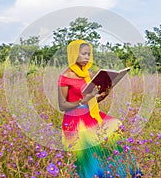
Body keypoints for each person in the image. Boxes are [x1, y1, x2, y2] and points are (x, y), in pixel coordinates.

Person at [58, 39, 142, 178]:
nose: (87, 57)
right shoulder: (65, 77)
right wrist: (82, 101)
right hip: (74, 119)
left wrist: (104, 93)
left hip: (90, 113)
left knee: (115, 126)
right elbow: (62, 105)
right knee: (86, 150)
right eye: (83, 54)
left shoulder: (88, 74)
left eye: (88, 54)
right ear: (73, 54)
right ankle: (92, 174)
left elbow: (93, 99)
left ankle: (117, 172)